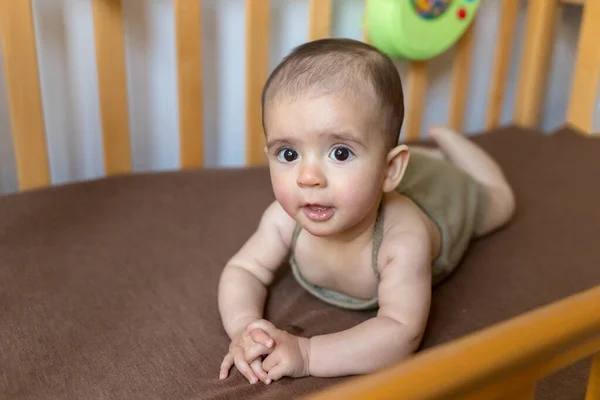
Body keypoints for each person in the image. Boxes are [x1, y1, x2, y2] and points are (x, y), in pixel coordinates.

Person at [217, 38, 515, 385]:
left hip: (443, 198)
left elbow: (401, 332)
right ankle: (419, 155)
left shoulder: (401, 241)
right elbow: (243, 270)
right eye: (288, 154)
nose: (308, 178)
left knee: (502, 204)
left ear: (390, 171)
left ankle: (451, 144)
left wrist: (309, 353)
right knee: (394, 170)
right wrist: (243, 326)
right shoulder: (283, 219)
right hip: (386, 179)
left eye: (340, 153)